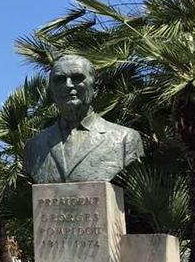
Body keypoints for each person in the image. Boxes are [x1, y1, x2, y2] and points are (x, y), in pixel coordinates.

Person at [25, 54, 143, 184]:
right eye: (60, 80)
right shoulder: (34, 146)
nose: (68, 85)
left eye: (77, 78)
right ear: (52, 92)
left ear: (94, 88)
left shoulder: (125, 139)